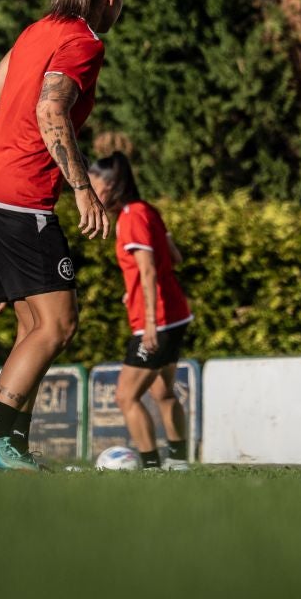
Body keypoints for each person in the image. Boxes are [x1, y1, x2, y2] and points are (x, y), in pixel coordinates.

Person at [0, 0, 128, 472]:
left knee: (33, 326)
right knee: (59, 323)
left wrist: (19, 143)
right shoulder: (83, 42)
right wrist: (80, 187)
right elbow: (52, 111)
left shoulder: (37, 31)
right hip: (18, 200)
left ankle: (12, 445)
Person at [89, 152, 193, 472]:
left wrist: (149, 322)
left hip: (156, 320)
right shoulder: (147, 210)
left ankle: (149, 467)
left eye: (92, 185)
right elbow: (173, 257)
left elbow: (148, 271)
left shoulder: (131, 218)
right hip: (176, 314)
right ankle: (178, 462)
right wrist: (132, 289)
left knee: (125, 396)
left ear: (109, 185)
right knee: (163, 392)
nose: (90, 193)